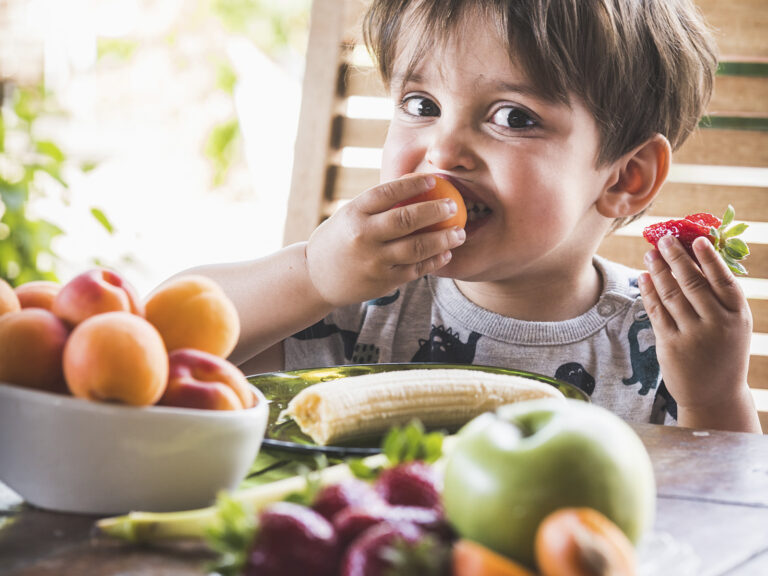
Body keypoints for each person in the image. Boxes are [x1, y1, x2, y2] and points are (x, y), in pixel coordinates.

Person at [182, 0, 760, 433]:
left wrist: (713, 398)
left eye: (512, 116)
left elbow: (732, 522)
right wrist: (310, 274)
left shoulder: (663, 341)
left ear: (623, 177)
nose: (442, 150)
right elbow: (157, 343)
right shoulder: (352, 299)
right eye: (421, 106)